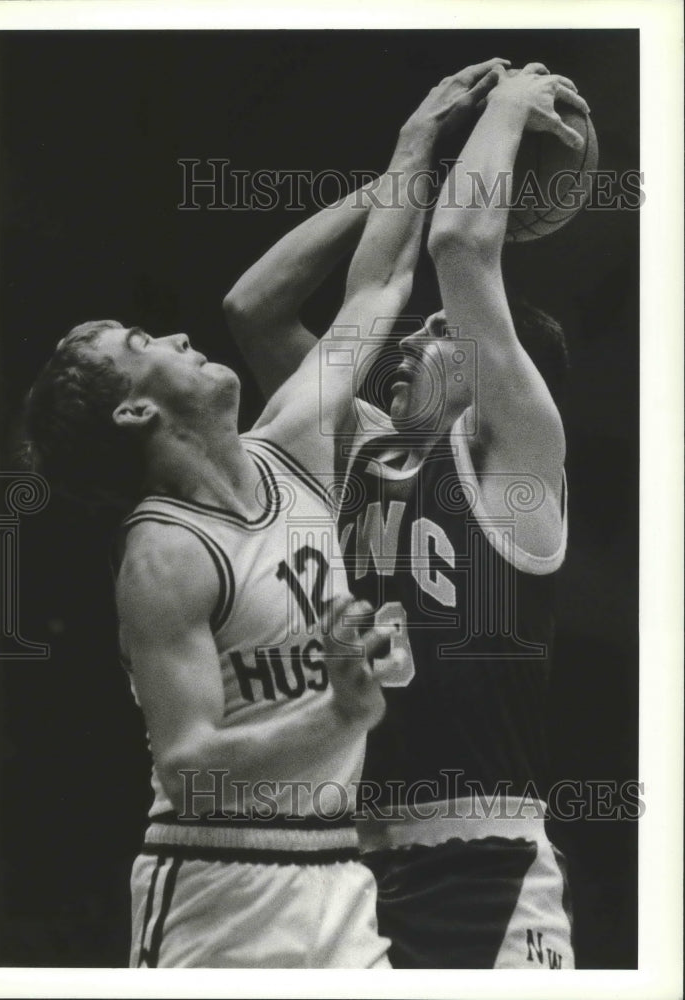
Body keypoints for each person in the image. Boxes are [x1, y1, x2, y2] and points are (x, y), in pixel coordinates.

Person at [20, 60, 506, 968]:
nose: (172, 335)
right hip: (218, 888)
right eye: (141, 344)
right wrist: (339, 710)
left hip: (336, 881)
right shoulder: (164, 552)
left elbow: (376, 291)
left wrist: (414, 143)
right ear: (135, 413)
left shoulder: (291, 447)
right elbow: (190, 769)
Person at [225, 62, 588, 968]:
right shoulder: (360, 448)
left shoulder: (517, 460)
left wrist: (508, 104)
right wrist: (407, 162)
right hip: (345, 857)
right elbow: (257, 309)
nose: (410, 337)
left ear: (490, 368)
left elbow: (462, 247)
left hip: (484, 860)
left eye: (437, 332)